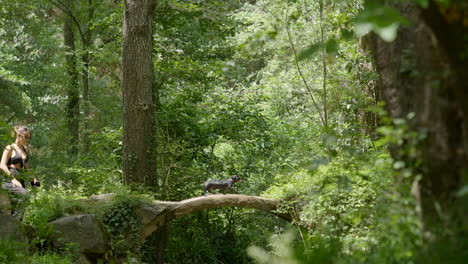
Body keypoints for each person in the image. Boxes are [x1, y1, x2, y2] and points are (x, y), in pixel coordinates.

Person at [0, 125, 37, 218]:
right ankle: (15, 222)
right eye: (26, 137)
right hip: (10, 178)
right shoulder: (10, 148)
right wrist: (13, 179)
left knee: (16, 205)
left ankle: (17, 227)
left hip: (21, 178)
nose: (28, 139)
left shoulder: (25, 149)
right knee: (24, 195)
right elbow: (2, 165)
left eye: (29, 137)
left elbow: (26, 167)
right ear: (19, 135)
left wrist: (33, 178)